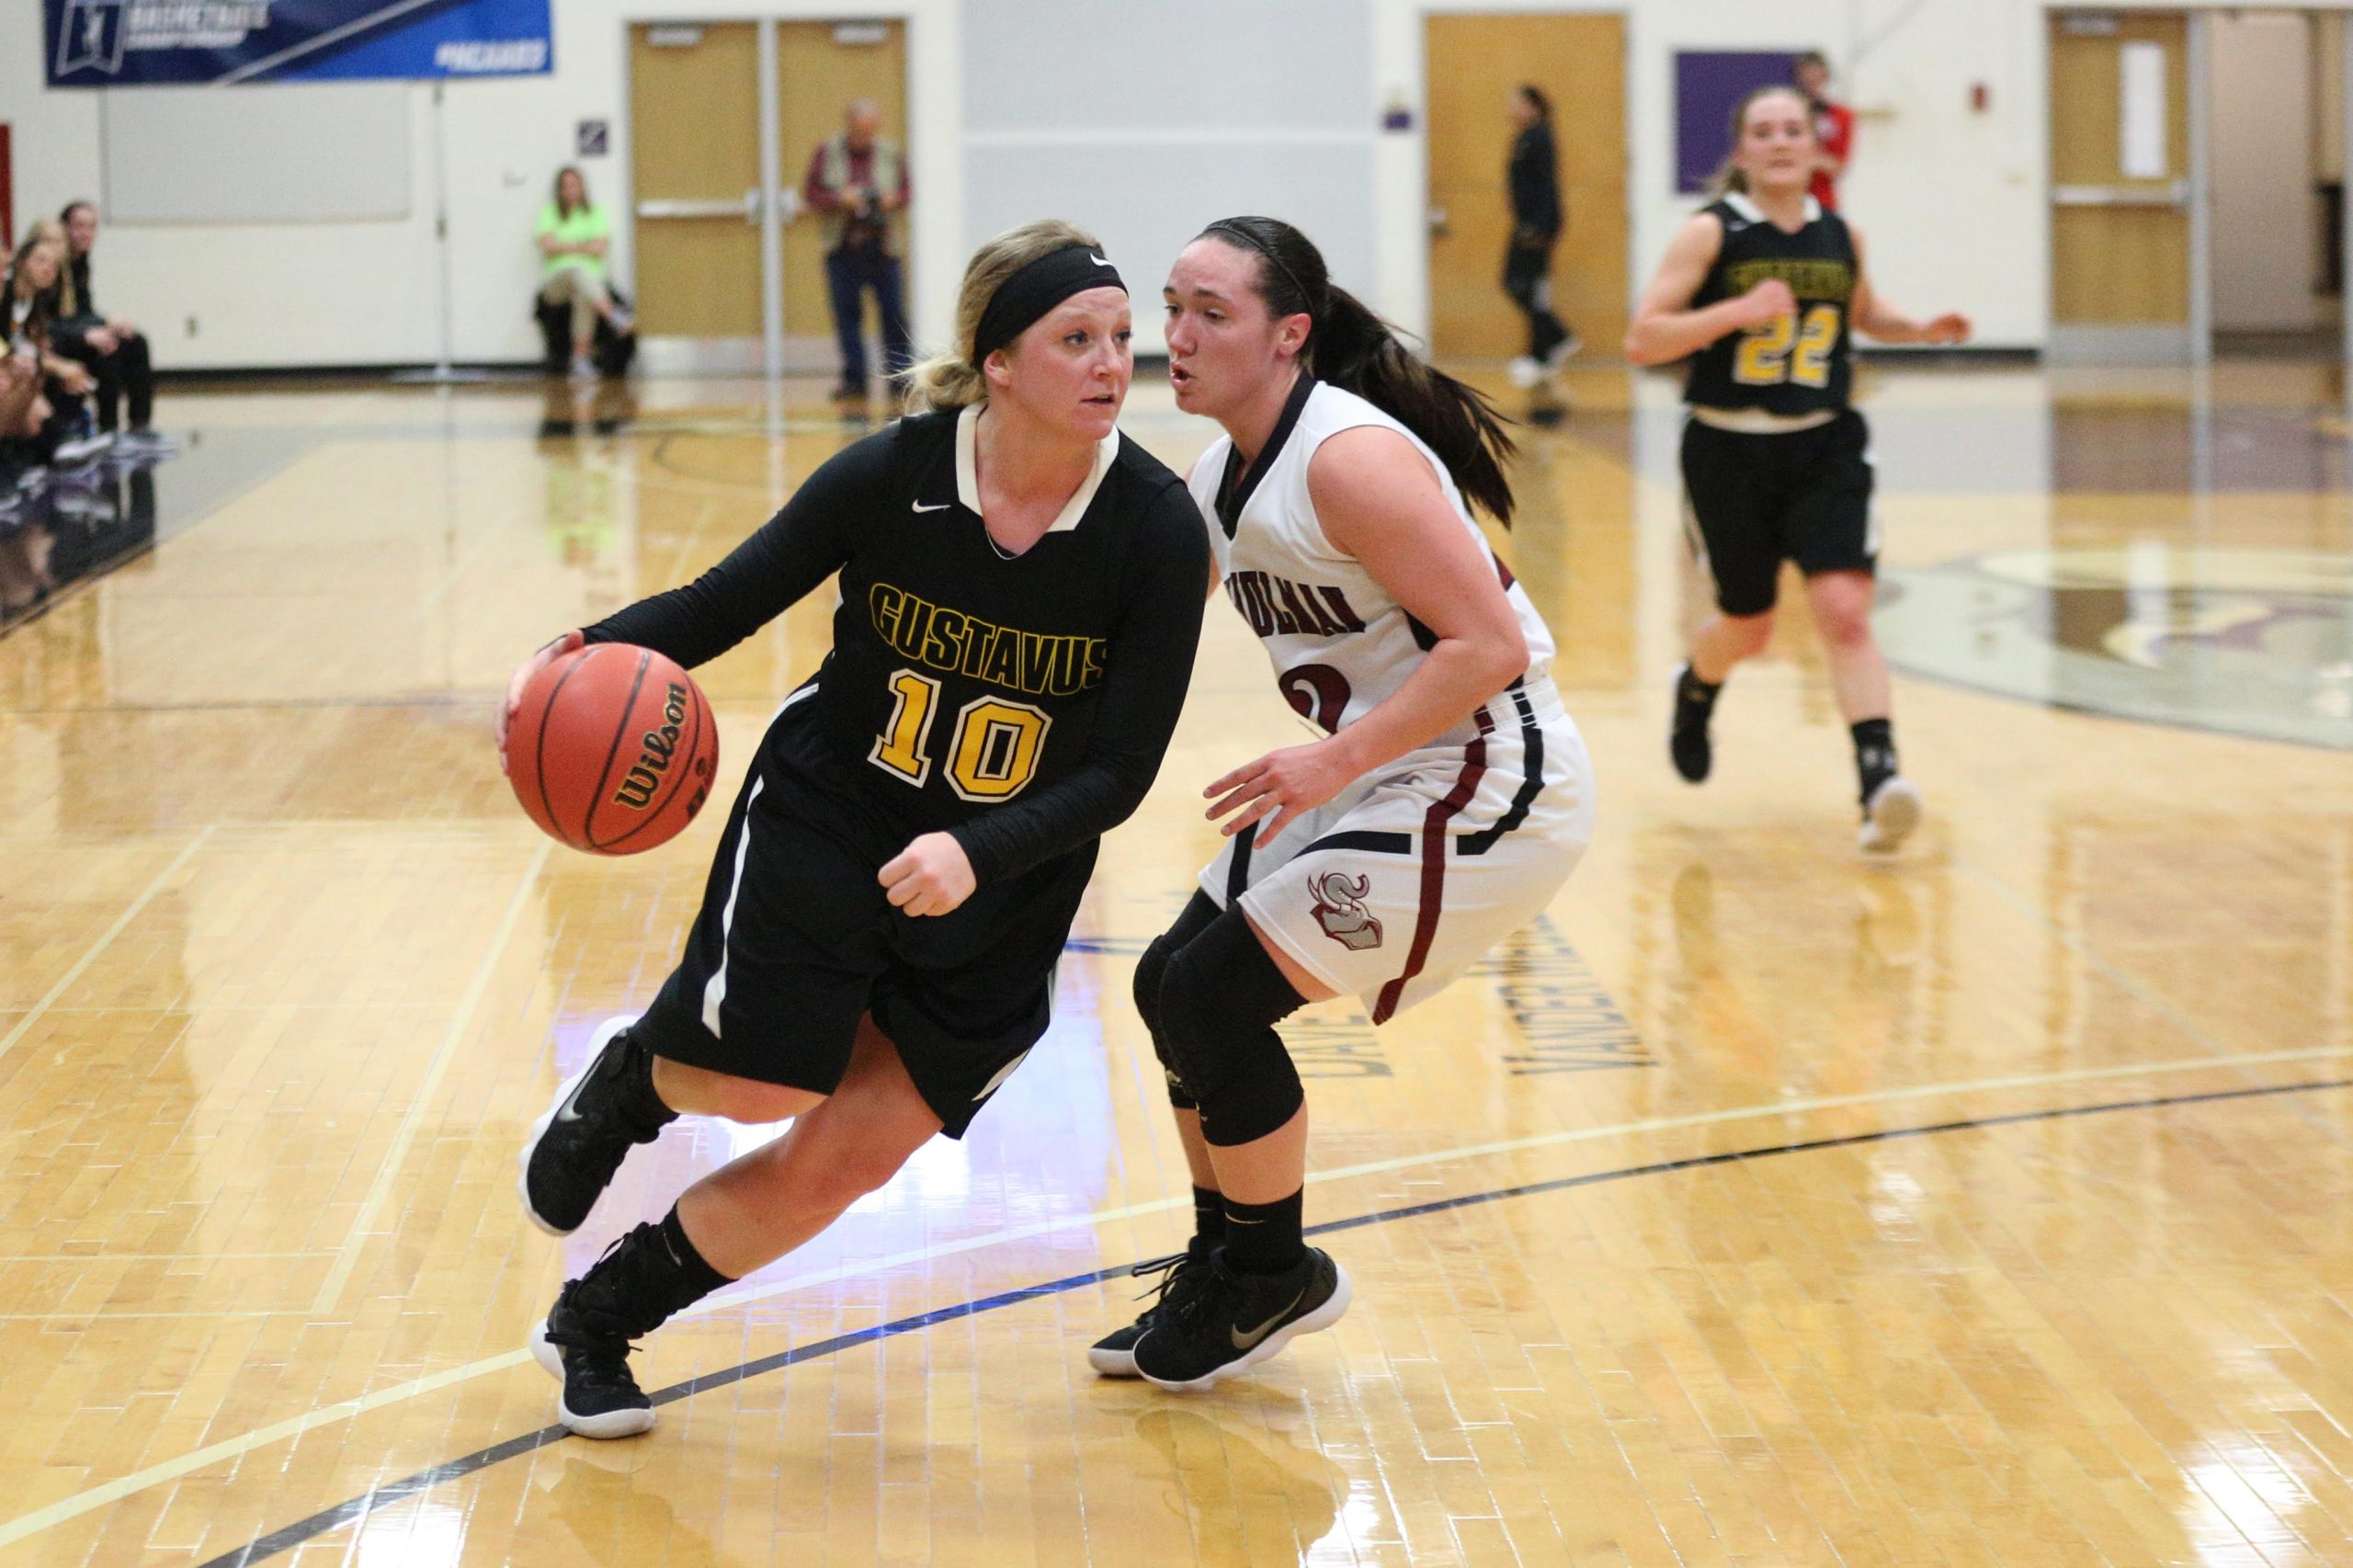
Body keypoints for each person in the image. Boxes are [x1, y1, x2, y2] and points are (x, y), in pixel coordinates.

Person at [498, 220, 1209, 1439]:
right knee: (763, 1082)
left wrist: (975, 852)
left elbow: (1122, 770)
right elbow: (726, 601)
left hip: (1007, 870)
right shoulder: (892, 476)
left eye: (1122, 342)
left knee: (852, 1154)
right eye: (1075, 339)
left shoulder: (1152, 527)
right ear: (996, 360)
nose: (1110, 365)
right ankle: (633, 1080)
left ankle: (596, 1321)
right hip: (841, 807)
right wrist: (581, 657)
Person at [1088, 216, 1596, 1391]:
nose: (1176, 336)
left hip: (1493, 768)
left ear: (1290, 334)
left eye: (1212, 313)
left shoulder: (1345, 460)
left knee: (1216, 997)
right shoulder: (1223, 474)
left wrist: (1331, 760)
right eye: (1172, 307)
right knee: (1170, 981)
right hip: (1391, 761)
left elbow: (1486, 648)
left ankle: (1271, 1274)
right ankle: (1230, 1265)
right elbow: (1135, 627)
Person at [1624, 85, 1968, 854]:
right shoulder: (1711, 234)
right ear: (1743, 152)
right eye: (1763, 131)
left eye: (1794, 131)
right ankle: (1698, 685)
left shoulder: (1841, 234)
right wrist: (1733, 315)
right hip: (1727, 450)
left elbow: (1862, 313)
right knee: (1748, 627)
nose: (1780, 142)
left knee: (1844, 609)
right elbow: (1644, 340)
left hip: (1825, 445)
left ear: (1816, 150)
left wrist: (1914, 329)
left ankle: (1879, 781)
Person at [802, 99, 912, 404]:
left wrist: (889, 200)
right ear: (849, 125)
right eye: (860, 131)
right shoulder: (828, 152)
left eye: (870, 131)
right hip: (844, 248)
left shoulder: (890, 153)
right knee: (847, 316)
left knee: (893, 314)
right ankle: (855, 379)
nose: (865, 137)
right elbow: (811, 193)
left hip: (883, 249)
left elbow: (906, 191)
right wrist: (841, 198)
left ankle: (899, 377)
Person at [51, 202, 168, 454]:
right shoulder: (53, 267)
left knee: (135, 340)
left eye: (91, 227)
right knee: (107, 348)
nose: (85, 233)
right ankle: (109, 429)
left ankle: (139, 425)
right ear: (64, 229)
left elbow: (83, 312)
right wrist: (89, 333)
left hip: (75, 334)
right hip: (59, 341)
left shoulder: (81, 263)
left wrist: (109, 322)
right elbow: (47, 321)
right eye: (78, 226)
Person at [5, 223, 109, 469]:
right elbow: (9, 346)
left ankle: (55, 444)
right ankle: (53, 444)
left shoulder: (33, 301)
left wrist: (54, 364)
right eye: (40, 261)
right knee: (30, 378)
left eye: (53, 264)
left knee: (50, 371)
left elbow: (30, 346)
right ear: (20, 262)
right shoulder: (8, 295)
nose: (47, 269)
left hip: (17, 366)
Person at [1503, 85, 1577, 389]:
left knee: (1520, 284)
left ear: (1535, 107)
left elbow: (1546, 187)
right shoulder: (1525, 137)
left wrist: (1542, 227)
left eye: (1517, 103)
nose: (1510, 108)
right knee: (1526, 288)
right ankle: (1544, 350)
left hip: (1537, 225)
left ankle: (1554, 339)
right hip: (1526, 222)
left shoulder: (1540, 138)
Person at [537, 167, 631, 381]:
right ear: (559, 190)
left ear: (581, 187)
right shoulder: (550, 213)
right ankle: (613, 316)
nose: (571, 190)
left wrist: (566, 246)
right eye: (566, 186)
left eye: (574, 185)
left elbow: (600, 247)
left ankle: (580, 360)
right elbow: (547, 244)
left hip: (590, 283)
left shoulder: (595, 212)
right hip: (557, 284)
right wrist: (582, 247)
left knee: (583, 295)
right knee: (575, 270)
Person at [1793, 52, 1854, 212]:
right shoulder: (1787, 112)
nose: (1811, 79)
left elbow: (1839, 166)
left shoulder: (1840, 115)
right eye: (1806, 72)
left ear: (1825, 76)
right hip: (1788, 196)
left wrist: (1810, 159)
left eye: (1816, 72)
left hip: (1822, 200)